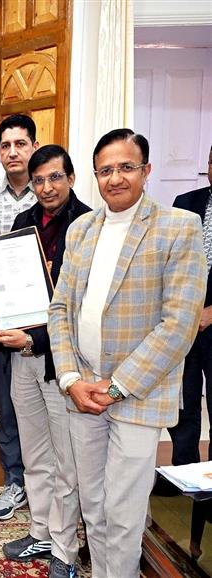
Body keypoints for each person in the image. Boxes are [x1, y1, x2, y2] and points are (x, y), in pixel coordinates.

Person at [49, 128, 206, 578]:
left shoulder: (178, 227)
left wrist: (117, 386)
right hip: (83, 393)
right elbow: (59, 310)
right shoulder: (81, 230)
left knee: (123, 512)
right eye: (105, 170)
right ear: (95, 176)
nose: (115, 178)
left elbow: (179, 323)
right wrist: (70, 380)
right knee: (93, 506)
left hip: (138, 395)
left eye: (126, 167)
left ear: (146, 170)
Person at [0, 145, 90, 577]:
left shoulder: (87, 225)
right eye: (39, 180)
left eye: (55, 177)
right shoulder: (22, 222)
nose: (47, 187)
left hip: (61, 360)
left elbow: (79, 307)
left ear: (71, 177)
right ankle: (41, 532)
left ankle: (65, 550)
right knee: (34, 454)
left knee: (66, 459)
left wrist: (34, 338)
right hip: (22, 355)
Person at [0, 113, 39, 521]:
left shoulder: (50, 191)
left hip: (43, 323)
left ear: (34, 146)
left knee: (48, 406)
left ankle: (47, 483)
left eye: (20, 143)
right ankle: (14, 481)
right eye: (5, 145)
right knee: (8, 406)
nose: (12, 151)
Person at [162, 145, 212, 482]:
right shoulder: (185, 203)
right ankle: (184, 478)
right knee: (183, 407)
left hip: (210, 322)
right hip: (183, 325)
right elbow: (169, 261)